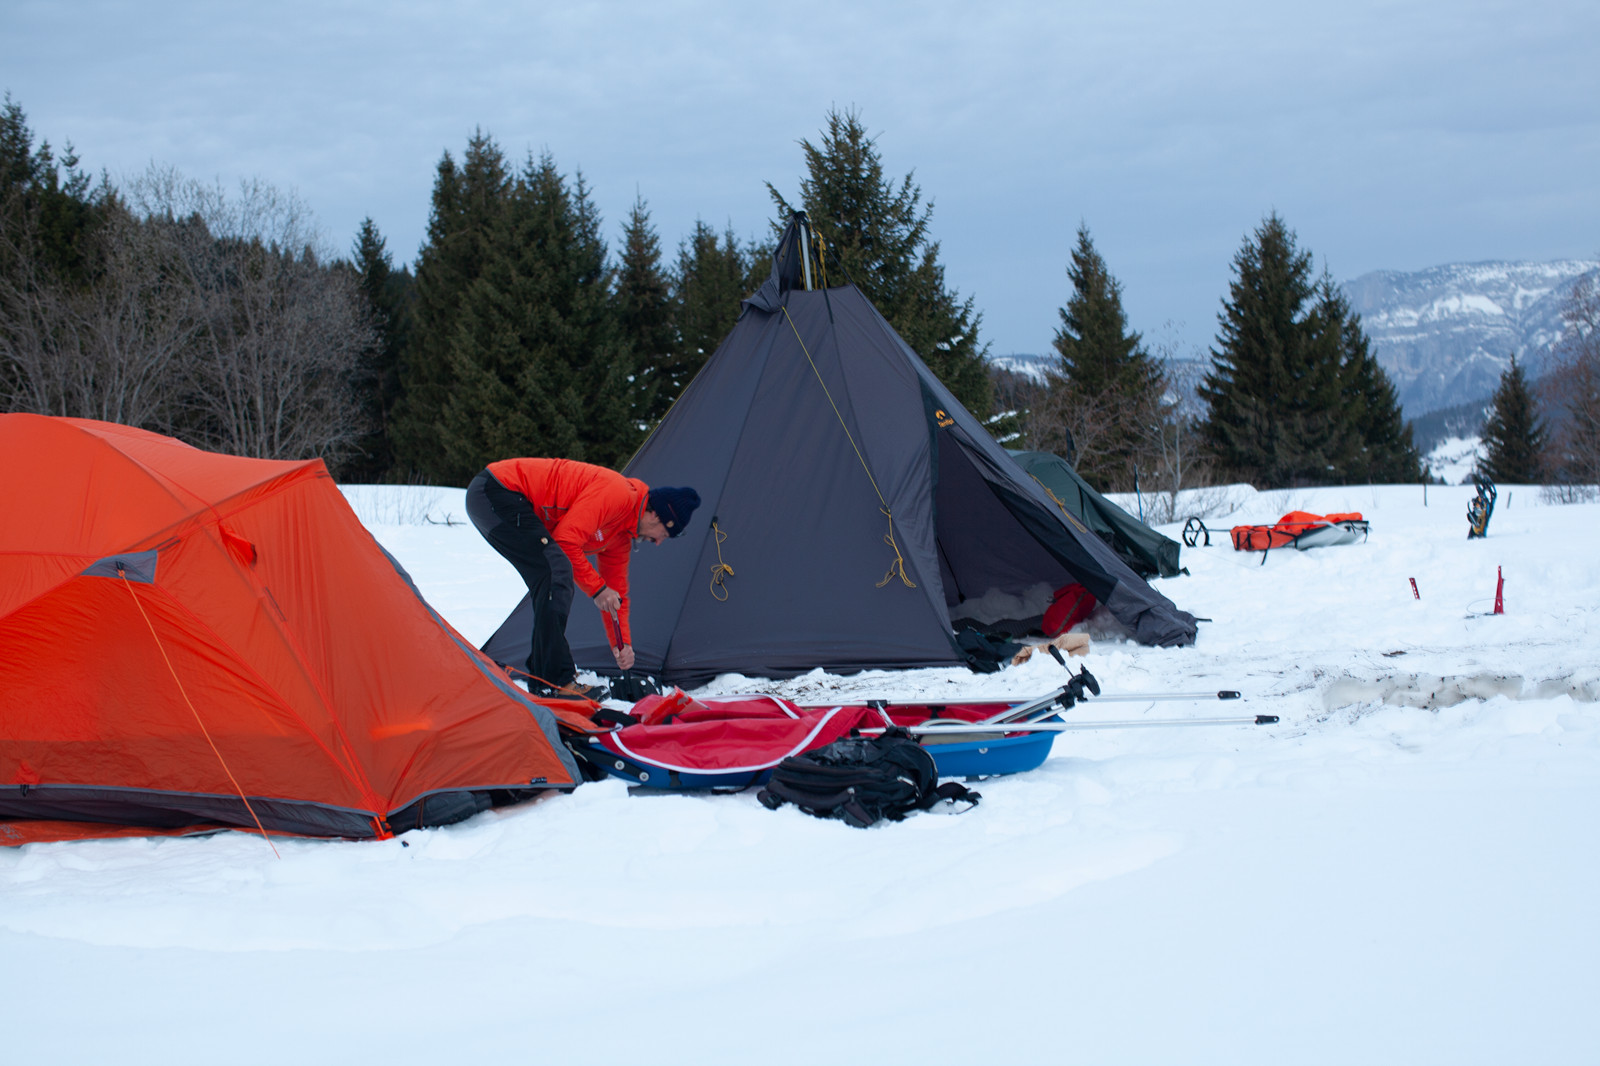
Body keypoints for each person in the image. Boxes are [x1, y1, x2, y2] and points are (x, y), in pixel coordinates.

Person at [465, 458, 700, 697]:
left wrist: (623, 644)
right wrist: (597, 590)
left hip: (504, 499)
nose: (659, 542)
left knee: (551, 574)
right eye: (665, 534)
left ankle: (544, 678)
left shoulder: (619, 537)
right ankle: (554, 681)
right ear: (656, 517)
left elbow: (616, 594)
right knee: (555, 571)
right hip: (498, 490)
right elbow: (566, 542)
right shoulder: (618, 494)